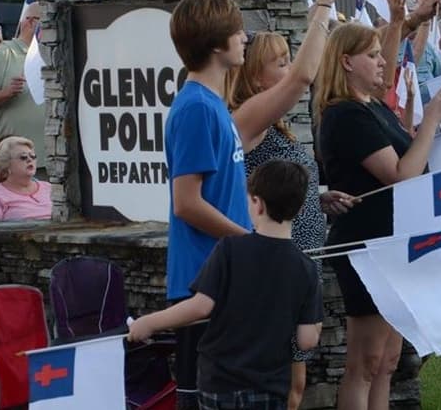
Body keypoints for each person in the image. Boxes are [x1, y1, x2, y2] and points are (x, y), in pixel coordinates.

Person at [225, 0, 351, 410]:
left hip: (301, 256)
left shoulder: (269, 125)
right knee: (282, 385)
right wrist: (322, 4)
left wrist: (316, 195)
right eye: (278, 62)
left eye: (286, 59)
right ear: (256, 79)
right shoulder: (246, 119)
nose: (289, 66)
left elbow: (275, 183)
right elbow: (303, 77)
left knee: (295, 381)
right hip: (278, 263)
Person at [314, 21, 441, 410]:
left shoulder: (372, 105)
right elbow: (399, 174)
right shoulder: (344, 114)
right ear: (346, 61)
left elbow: (411, 155)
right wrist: (428, 121)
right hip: (368, 244)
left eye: (380, 53)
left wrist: (435, 130)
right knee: (366, 360)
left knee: (388, 360)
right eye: (372, 55)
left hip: (396, 238)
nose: (382, 63)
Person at [128, 160, 324, 410]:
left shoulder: (230, 249)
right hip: (269, 387)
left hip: (219, 382)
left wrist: (149, 323)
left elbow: (200, 307)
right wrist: (315, 324)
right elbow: (307, 340)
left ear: (257, 203)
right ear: (300, 209)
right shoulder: (305, 268)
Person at [165, 0, 252, 410]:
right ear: (217, 46)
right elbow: (186, 203)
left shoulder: (212, 103)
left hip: (222, 275)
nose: (245, 37)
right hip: (202, 280)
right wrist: (250, 242)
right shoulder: (197, 107)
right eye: (237, 31)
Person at [0, 4, 45, 164]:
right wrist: (6, 92)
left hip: (51, 158)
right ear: (32, 22)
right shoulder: (3, 55)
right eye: (49, 21)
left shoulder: (51, 53)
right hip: (13, 163)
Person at [0, 135, 50, 221]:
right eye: (23, 157)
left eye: (33, 156)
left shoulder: (50, 188)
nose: (29, 160)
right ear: (6, 164)